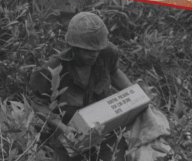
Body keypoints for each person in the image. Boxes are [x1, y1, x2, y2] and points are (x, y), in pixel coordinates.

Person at [29, 12, 133, 161]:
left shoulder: (107, 54)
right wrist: (63, 128)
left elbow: (114, 72)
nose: (94, 55)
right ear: (74, 47)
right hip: (70, 137)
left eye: (97, 50)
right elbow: (38, 105)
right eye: (88, 51)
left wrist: (134, 93)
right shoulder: (53, 68)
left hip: (104, 131)